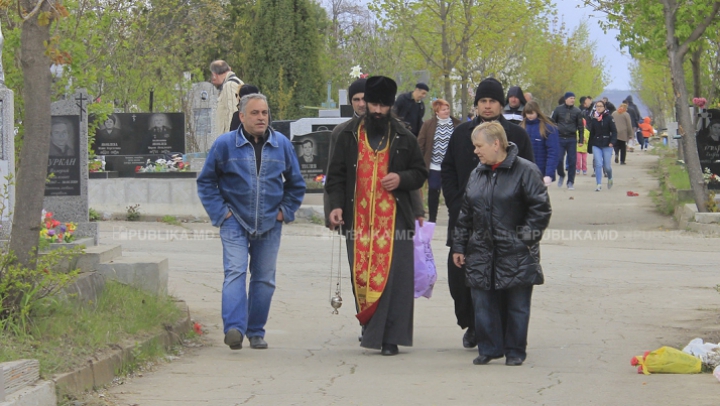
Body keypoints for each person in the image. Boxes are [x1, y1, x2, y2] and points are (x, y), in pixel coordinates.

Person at [326, 76, 428, 356]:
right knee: (363, 277)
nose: (378, 111)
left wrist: (401, 178)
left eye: (384, 105)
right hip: (357, 221)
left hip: (395, 221)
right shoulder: (347, 135)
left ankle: (391, 339)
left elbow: (420, 173)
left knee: (393, 279)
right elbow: (335, 176)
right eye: (374, 104)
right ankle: (370, 330)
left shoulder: (404, 137)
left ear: (391, 105)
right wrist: (335, 207)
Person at [197, 93, 306, 351]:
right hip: (234, 219)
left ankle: (256, 331)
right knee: (235, 272)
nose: (261, 118)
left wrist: (284, 212)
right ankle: (234, 329)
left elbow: (296, 184)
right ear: (242, 116)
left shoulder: (281, 145)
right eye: (255, 113)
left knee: (264, 278)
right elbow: (206, 181)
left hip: (270, 222)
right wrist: (221, 213)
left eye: (264, 113)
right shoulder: (225, 145)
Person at [441, 77, 534, 350]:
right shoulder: (461, 135)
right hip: (465, 220)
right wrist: (456, 201)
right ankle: (472, 324)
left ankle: (499, 330)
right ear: (476, 104)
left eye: (493, 101)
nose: (488, 106)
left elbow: (529, 175)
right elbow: (447, 170)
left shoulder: (516, 136)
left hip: (505, 222)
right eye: (483, 101)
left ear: (501, 104)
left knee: (503, 275)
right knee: (461, 277)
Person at [452, 121, 551, 366]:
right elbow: (466, 213)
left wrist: (524, 239)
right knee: (483, 304)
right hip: (480, 251)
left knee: (518, 305)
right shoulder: (477, 173)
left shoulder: (526, 170)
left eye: (479, 145)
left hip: (516, 250)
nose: (475, 151)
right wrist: (459, 246)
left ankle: (515, 351)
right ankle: (488, 348)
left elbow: (540, 209)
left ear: (496, 143)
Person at [323, 78, 367, 227]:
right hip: (352, 210)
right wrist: (331, 209)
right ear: (351, 102)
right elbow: (333, 174)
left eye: (364, 98)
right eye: (356, 99)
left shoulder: (389, 129)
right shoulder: (341, 132)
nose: (361, 104)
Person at [417, 98, 461, 222]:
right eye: (443, 109)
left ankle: (454, 217)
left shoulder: (456, 125)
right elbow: (421, 143)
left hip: (450, 167)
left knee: (451, 193)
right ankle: (432, 219)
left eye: (447, 108)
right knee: (433, 191)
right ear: (437, 112)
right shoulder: (428, 125)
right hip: (434, 166)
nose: (446, 111)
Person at [550, 91, 584, 190]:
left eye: (574, 98)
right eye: (570, 98)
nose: (572, 100)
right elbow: (552, 123)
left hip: (572, 139)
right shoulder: (558, 109)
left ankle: (570, 182)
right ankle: (561, 174)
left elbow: (580, 126)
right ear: (566, 99)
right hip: (559, 138)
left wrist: (581, 140)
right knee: (558, 159)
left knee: (572, 161)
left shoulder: (577, 111)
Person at [520, 101, 559, 186]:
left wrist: (549, 174)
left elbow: (553, 151)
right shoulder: (521, 128)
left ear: (537, 112)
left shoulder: (548, 128)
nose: (529, 115)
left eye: (532, 113)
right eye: (527, 113)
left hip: (541, 171)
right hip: (524, 173)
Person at [587, 100, 617, 191]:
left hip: (607, 144)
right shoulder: (594, 119)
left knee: (607, 166)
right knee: (598, 164)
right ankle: (598, 184)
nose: (598, 108)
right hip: (596, 144)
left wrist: (612, 142)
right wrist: (590, 146)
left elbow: (614, 131)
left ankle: (610, 177)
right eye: (597, 106)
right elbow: (592, 133)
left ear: (604, 108)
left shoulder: (609, 118)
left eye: (600, 106)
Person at [210, 60, 243, 135]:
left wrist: (229, 141)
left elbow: (233, 114)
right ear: (230, 69)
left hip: (231, 139)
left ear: (214, 74)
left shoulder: (230, 85)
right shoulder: (238, 82)